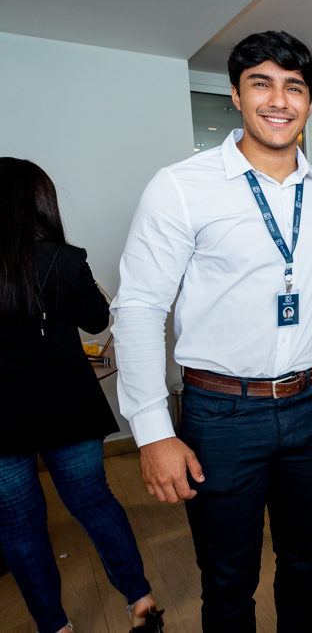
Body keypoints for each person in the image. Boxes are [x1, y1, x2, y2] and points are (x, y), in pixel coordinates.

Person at [111, 31, 312, 631]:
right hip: (220, 414)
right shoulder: (181, 187)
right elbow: (137, 307)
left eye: (294, 87)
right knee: (228, 579)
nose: (279, 99)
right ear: (236, 96)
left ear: (308, 101)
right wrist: (153, 431)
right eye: (261, 83)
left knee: (305, 562)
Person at [0, 158, 162, 633]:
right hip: (68, 408)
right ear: (39, 203)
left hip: (3, 418)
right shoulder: (64, 259)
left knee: (20, 525)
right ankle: (141, 602)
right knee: (95, 503)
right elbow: (97, 320)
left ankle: (55, 626)